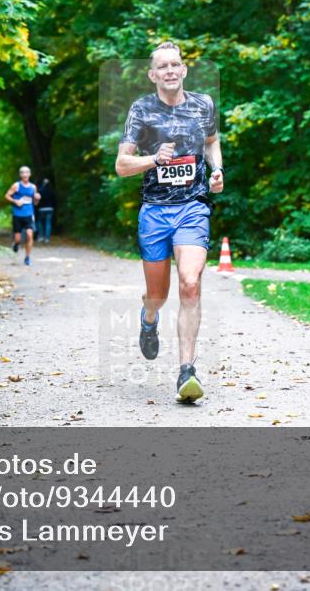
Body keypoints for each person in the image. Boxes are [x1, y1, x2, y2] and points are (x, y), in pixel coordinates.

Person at [114, 41, 224, 403]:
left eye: (175, 64)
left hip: (192, 207)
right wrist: (153, 160)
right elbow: (121, 165)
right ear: (152, 75)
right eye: (163, 67)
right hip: (155, 212)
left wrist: (217, 169)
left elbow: (211, 141)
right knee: (158, 295)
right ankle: (149, 318)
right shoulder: (141, 110)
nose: (170, 71)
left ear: (185, 70)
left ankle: (186, 372)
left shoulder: (203, 104)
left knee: (190, 283)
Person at [4, 166, 40, 266]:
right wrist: (15, 201)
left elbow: (35, 203)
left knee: (29, 235)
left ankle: (27, 257)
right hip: (18, 215)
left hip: (29, 214)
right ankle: (16, 244)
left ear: (29, 174)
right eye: (23, 173)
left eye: (27, 172)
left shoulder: (33, 187)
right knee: (18, 239)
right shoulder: (16, 185)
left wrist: (37, 198)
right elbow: (6, 196)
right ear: (20, 175)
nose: (25, 174)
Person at [35, 178, 56, 243]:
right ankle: (47, 239)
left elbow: (37, 200)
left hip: (41, 209)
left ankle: (41, 237)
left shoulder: (40, 191)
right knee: (48, 223)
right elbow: (55, 201)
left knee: (39, 222)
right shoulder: (52, 191)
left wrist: (37, 207)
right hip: (50, 209)